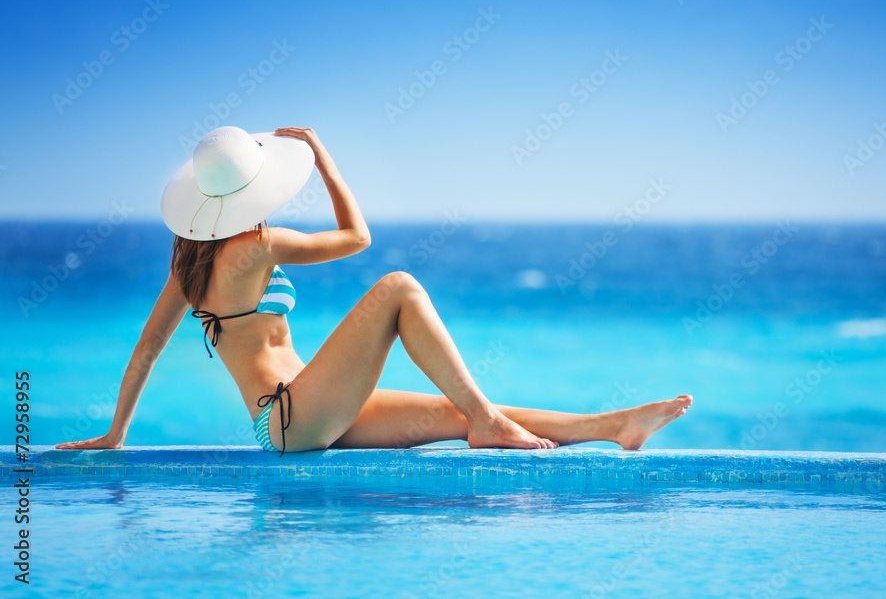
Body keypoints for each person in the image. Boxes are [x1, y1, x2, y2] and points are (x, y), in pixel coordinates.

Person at [55, 126, 692, 456]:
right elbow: (358, 237)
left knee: (454, 413)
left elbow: (145, 352)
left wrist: (116, 434)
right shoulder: (258, 245)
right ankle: (492, 421)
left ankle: (616, 425)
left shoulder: (187, 269)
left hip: (296, 416)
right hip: (296, 416)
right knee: (398, 288)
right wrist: (323, 159)